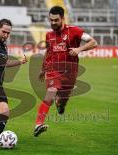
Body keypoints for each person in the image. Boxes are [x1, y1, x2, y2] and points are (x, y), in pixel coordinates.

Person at [33, 6, 97, 137]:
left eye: (56, 20)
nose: (53, 23)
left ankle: (60, 104)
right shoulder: (48, 34)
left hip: (70, 72)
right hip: (53, 70)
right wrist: (43, 68)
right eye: (51, 20)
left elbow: (93, 42)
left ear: (62, 18)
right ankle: (38, 124)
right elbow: (49, 51)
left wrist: (79, 49)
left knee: (63, 100)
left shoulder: (74, 31)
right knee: (51, 93)